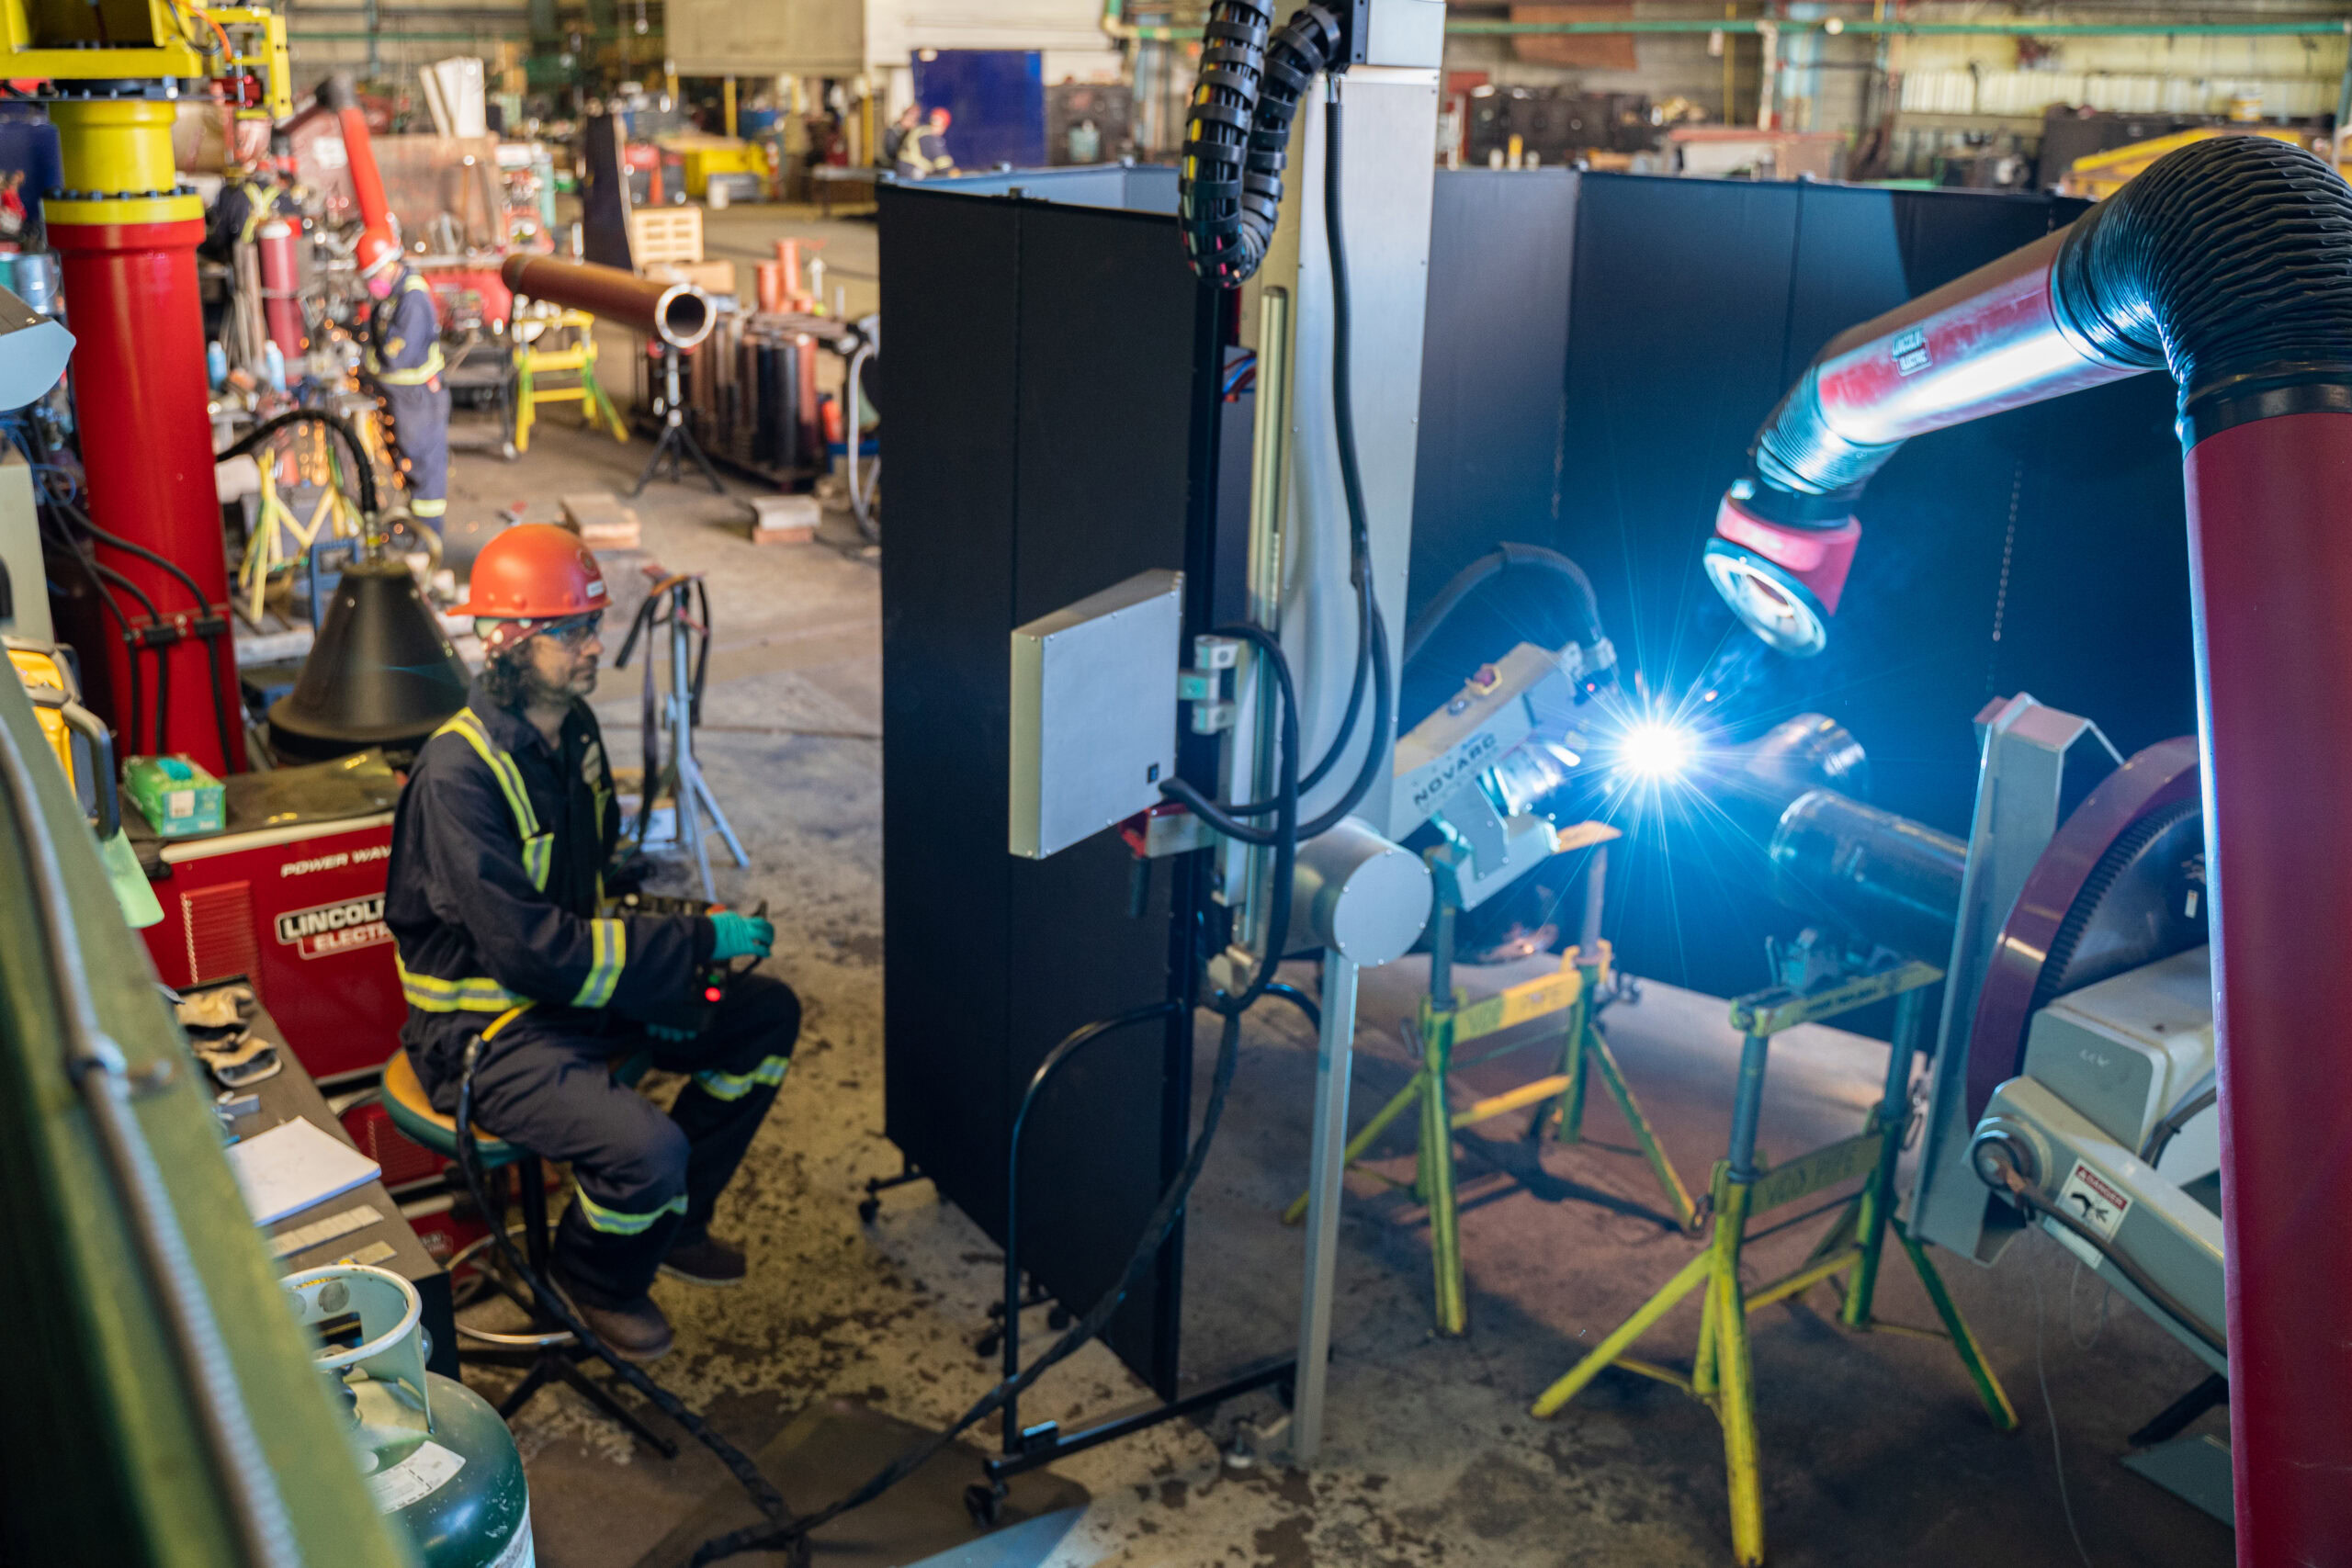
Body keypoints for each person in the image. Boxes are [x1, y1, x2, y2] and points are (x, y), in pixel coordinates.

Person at [385, 525, 801, 1359]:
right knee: (650, 1149)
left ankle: (675, 1224)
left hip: (573, 996)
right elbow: (534, 952)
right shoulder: (458, 775)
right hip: (490, 1033)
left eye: (594, 624)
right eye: (573, 630)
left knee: (764, 1018)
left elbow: (595, 887)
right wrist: (687, 946)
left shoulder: (571, 732)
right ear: (508, 641)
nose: (594, 646)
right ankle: (592, 1277)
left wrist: (679, 951)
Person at [357, 226, 451, 535]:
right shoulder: (395, 295)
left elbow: (396, 356)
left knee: (424, 471)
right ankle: (414, 532)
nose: (372, 282)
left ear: (388, 265)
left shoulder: (412, 299)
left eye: (373, 274)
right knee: (408, 463)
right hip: (405, 399)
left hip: (419, 400)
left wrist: (367, 360)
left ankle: (429, 541)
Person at [896, 107, 956, 181]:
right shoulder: (929, 136)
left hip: (903, 170)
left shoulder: (919, 130)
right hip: (911, 174)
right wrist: (952, 172)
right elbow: (943, 164)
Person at [879, 102, 921, 173]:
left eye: (915, 119)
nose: (913, 122)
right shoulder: (893, 131)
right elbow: (891, 152)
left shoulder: (913, 132)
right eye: (911, 117)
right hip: (892, 168)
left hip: (908, 168)